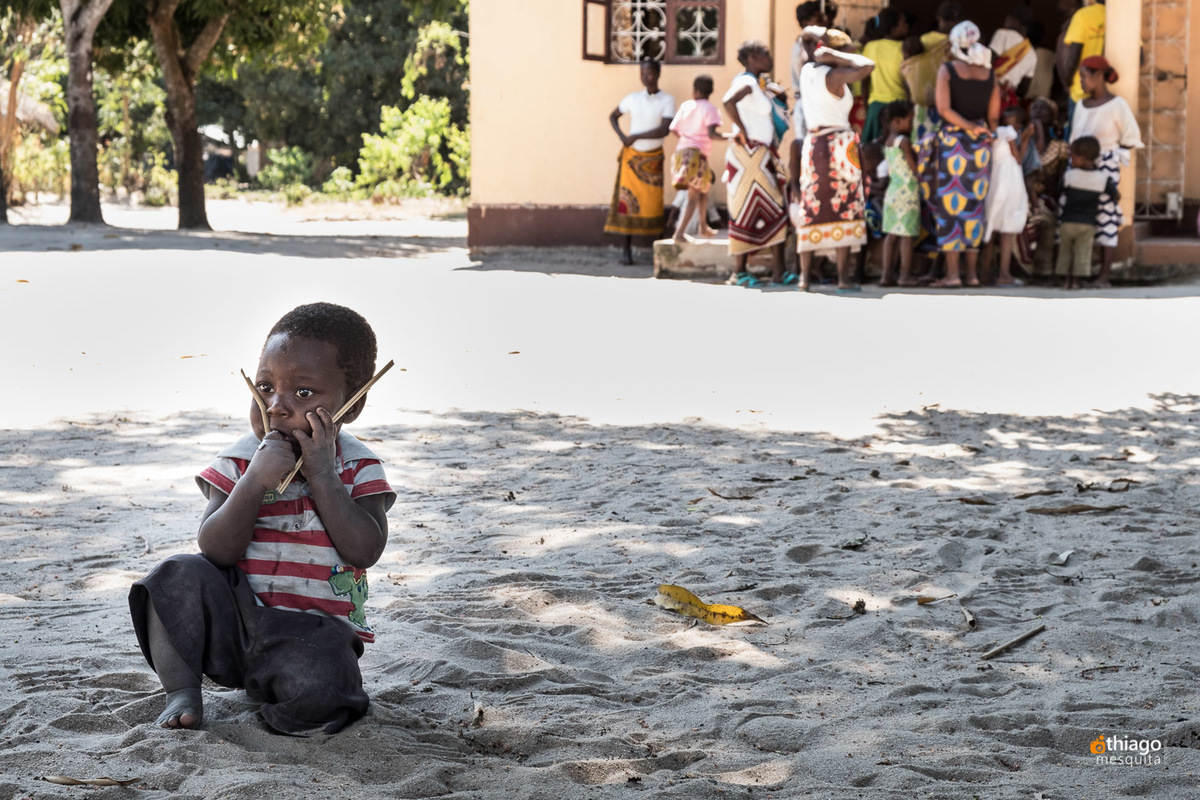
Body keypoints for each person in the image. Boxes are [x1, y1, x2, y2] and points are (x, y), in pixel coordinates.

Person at [129, 303, 395, 735]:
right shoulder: (238, 460)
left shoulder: (357, 467)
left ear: (354, 403)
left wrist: (324, 474)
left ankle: (286, 706)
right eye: (266, 386)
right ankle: (180, 691)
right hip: (235, 623)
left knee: (326, 689)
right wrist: (252, 482)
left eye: (303, 393)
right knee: (174, 574)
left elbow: (365, 550)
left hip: (313, 637)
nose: (276, 406)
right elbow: (215, 548)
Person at [790, 28, 876, 292]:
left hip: (814, 145)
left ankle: (804, 278)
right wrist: (840, 57)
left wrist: (818, 43)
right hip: (839, 145)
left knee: (812, 206)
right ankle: (843, 278)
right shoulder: (835, 74)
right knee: (845, 206)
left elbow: (804, 40)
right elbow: (868, 65)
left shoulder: (806, 72)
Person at [919, 20, 1000, 288]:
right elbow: (993, 117)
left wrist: (968, 127)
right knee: (974, 207)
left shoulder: (949, 70)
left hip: (954, 143)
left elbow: (944, 109)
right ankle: (972, 275)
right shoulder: (990, 75)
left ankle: (953, 275)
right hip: (980, 149)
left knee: (950, 207)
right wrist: (981, 130)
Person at [1067, 55, 1142, 287]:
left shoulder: (1117, 105)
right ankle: (1077, 274)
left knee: (1106, 219)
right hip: (1079, 166)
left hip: (1106, 167)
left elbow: (1131, 137)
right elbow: (1074, 137)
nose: (1081, 82)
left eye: (1085, 77)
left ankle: (1103, 277)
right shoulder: (1081, 105)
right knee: (1078, 217)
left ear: (1099, 76)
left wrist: (1107, 154)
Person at [724, 40, 792, 287]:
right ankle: (741, 272)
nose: (769, 57)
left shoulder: (756, 83)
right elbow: (727, 102)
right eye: (765, 53)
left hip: (758, 155)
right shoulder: (747, 81)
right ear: (752, 56)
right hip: (749, 155)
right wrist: (741, 130)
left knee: (764, 210)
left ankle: (776, 272)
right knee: (761, 209)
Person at [605, 60, 677, 265]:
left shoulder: (667, 100)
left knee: (652, 203)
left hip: (653, 158)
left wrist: (635, 136)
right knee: (627, 204)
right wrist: (623, 137)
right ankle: (626, 250)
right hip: (632, 158)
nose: (646, 77)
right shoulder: (633, 99)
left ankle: (657, 251)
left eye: (650, 73)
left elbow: (665, 129)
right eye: (643, 73)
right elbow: (613, 116)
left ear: (658, 73)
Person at [669, 75, 725, 240]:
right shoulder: (710, 109)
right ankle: (679, 234)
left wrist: (686, 138)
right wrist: (730, 137)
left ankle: (703, 226)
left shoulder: (687, 106)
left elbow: (673, 128)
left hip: (682, 154)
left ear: (695, 91)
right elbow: (712, 133)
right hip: (697, 157)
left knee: (704, 188)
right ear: (711, 91)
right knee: (693, 196)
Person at [1056, 136, 1117, 287]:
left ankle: (1065, 281)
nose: (1071, 160)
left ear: (1082, 159)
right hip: (1087, 224)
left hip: (1067, 222)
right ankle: (1076, 281)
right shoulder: (1102, 178)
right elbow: (1115, 194)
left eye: (1072, 156)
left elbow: (1058, 191)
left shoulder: (1069, 175)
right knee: (1082, 252)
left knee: (1065, 251)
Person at [983, 106, 1032, 286]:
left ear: (1017, 122)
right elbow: (1018, 158)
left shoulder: (996, 133)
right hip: (1009, 184)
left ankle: (985, 272)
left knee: (991, 229)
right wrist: (1026, 138)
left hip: (995, 183)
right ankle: (1004, 274)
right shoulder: (1008, 131)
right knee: (1006, 232)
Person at [880, 100, 920, 287]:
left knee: (891, 235)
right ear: (897, 121)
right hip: (908, 192)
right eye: (909, 120)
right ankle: (904, 276)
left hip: (892, 192)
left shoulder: (888, 142)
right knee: (907, 236)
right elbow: (913, 167)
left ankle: (886, 275)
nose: (911, 124)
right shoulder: (903, 142)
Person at [861, 9, 909, 144]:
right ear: (893, 29)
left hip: (875, 108)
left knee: (870, 154)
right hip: (899, 111)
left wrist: (867, 107)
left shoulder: (870, 47)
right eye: (903, 23)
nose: (907, 25)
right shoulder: (904, 48)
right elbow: (908, 82)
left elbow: (865, 81)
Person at [1058, 0, 1105, 125]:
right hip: (1108, 93)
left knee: (1077, 140)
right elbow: (1141, 58)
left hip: (1081, 91)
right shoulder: (1123, 18)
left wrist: (1067, 82)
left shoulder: (1083, 15)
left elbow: (1072, 56)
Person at [790, 2, 827, 140]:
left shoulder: (811, 44)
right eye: (819, 19)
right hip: (807, 102)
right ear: (806, 22)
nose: (825, 22)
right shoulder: (803, 46)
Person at [989, 7, 1038, 110]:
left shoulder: (1003, 34)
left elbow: (988, 62)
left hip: (989, 92)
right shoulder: (1033, 54)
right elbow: (1023, 91)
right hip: (1008, 101)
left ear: (1013, 20)